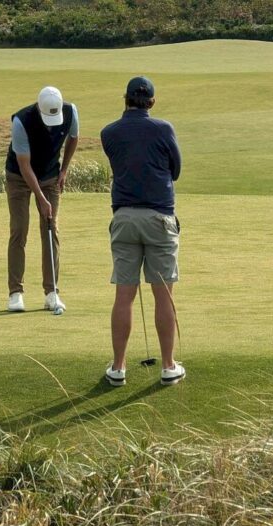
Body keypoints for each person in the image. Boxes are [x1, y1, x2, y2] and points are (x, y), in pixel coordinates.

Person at [100, 76, 184, 387]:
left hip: (123, 217)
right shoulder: (163, 129)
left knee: (124, 295)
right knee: (163, 295)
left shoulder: (109, 133)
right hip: (159, 217)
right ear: (151, 101)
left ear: (125, 99)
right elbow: (175, 170)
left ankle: (118, 368)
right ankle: (168, 365)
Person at [5, 86, 79, 312]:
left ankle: (51, 292)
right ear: (39, 108)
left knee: (50, 229)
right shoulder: (21, 121)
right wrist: (41, 198)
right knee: (19, 229)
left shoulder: (71, 112)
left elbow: (73, 139)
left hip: (50, 177)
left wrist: (64, 170)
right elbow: (24, 165)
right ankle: (15, 293)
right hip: (18, 177)